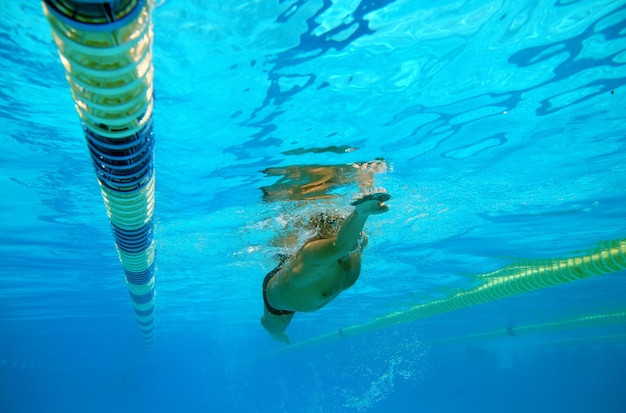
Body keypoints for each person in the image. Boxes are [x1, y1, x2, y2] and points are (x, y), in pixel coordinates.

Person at [261, 192, 391, 343]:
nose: (340, 226)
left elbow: (347, 243)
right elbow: (340, 246)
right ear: (321, 230)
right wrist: (361, 213)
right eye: (335, 224)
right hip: (281, 297)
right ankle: (276, 334)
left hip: (304, 287)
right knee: (274, 327)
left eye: (342, 222)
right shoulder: (311, 255)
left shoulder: (359, 240)